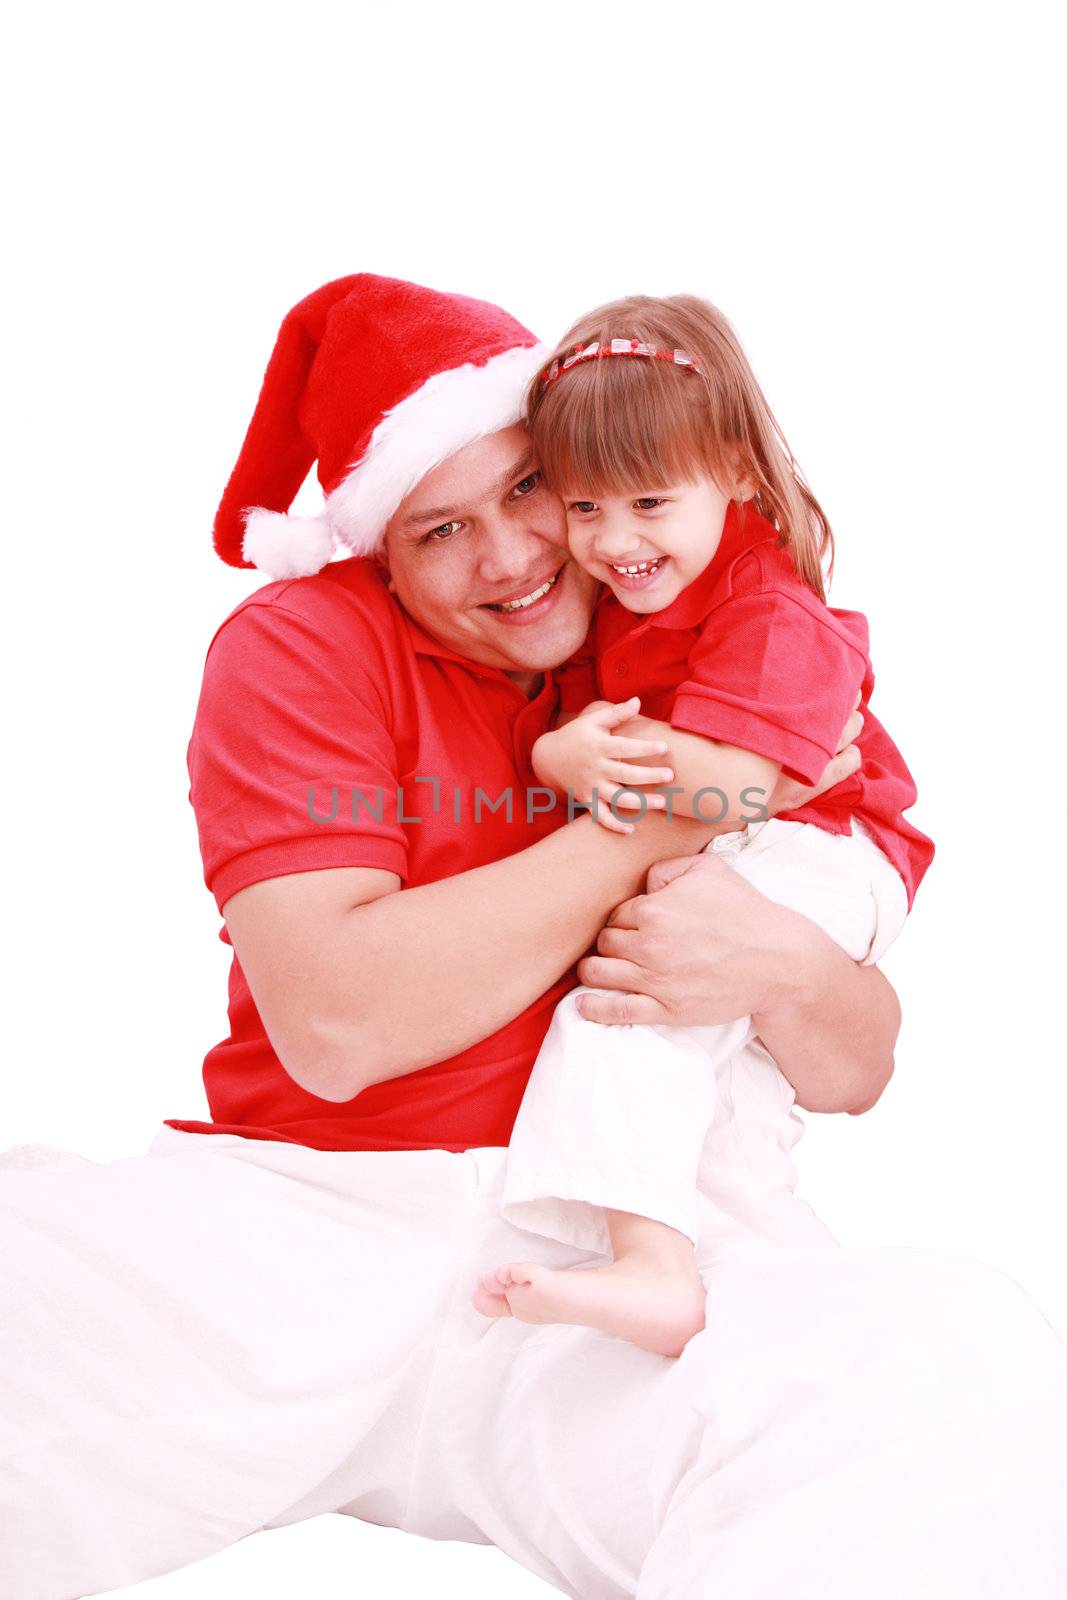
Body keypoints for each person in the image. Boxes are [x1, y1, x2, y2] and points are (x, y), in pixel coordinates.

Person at [2, 274, 1066, 1600]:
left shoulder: (694, 624)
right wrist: (649, 821)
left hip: (624, 1236)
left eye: (524, 492)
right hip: (317, 1214)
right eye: (438, 529)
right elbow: (338, 1029)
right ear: (375, 550)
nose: (505, 556)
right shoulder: (300, 644)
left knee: (948, 1353)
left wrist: (781, 965)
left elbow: (851, 1071)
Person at [474, 294, 933, 1358]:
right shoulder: (627, 611)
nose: (614, 541)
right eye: (584, 508)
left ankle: (648, 1264)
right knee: (721, 1097)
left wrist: (588, 757)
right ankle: (786, 1290)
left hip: (828, 851)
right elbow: (662, 776)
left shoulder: (770, 613)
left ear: (731, 468)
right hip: (758, 839)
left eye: (647, 501)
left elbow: (736, 789)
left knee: (634, 997)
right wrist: (557, 752)